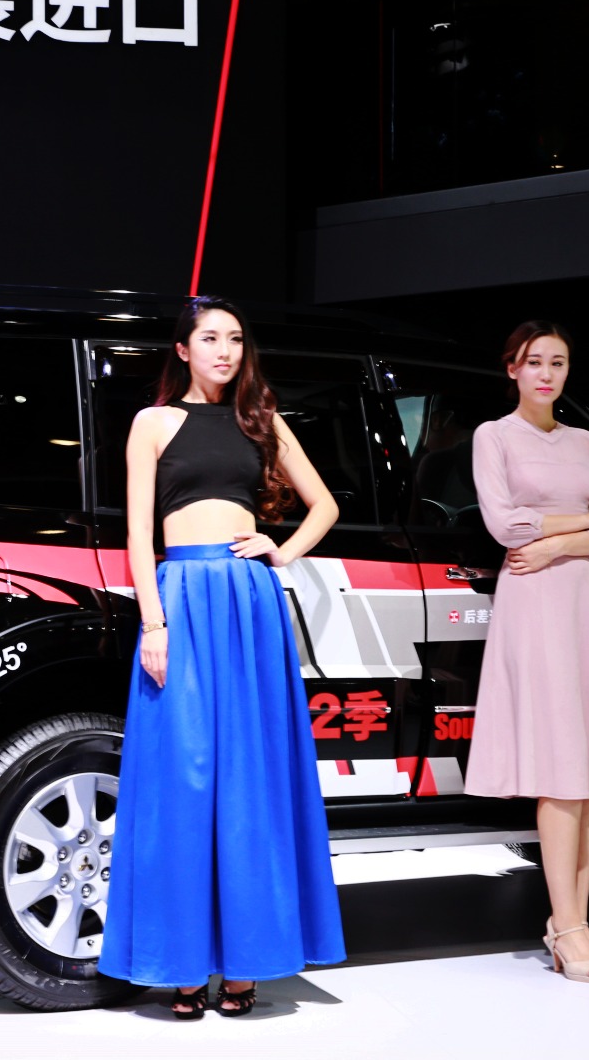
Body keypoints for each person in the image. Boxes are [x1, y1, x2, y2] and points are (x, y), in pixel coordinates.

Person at [98, 296, 346, 1018]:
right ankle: (183, 964)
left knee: (250, 779)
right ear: (183, 350)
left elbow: (325, 505)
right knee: (184, 778)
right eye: (210, 338)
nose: (225, 350)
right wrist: (153, 623)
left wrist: (281, 551)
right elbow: (138, 534)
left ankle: (245, 964)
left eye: (234, 338)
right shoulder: (152, 423)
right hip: (180, 599)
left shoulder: (260, 420)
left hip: (247, 600)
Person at [463, 322, 589, 983]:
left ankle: (573, 923)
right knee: (561, 769)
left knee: (583, 776)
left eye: (557, 362)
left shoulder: (587, 443)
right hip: (533, 603)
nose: (546, 373)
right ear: (512, 368)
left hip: (579, 597)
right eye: (534, 361)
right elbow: (504, 525)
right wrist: (588, 521)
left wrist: (563, 542)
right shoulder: (494, 436)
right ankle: (567, 927)